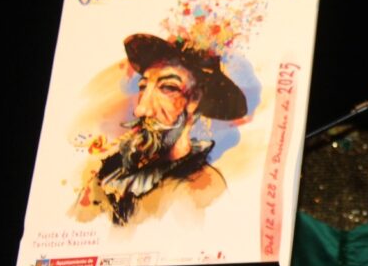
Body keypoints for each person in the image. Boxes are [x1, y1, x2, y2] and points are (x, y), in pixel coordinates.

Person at [73, 33, 248, 225]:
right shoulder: (111, 170)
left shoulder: (201, 188)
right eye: (143, 87)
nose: (141, 110)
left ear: (195, 99)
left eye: (168, 88)